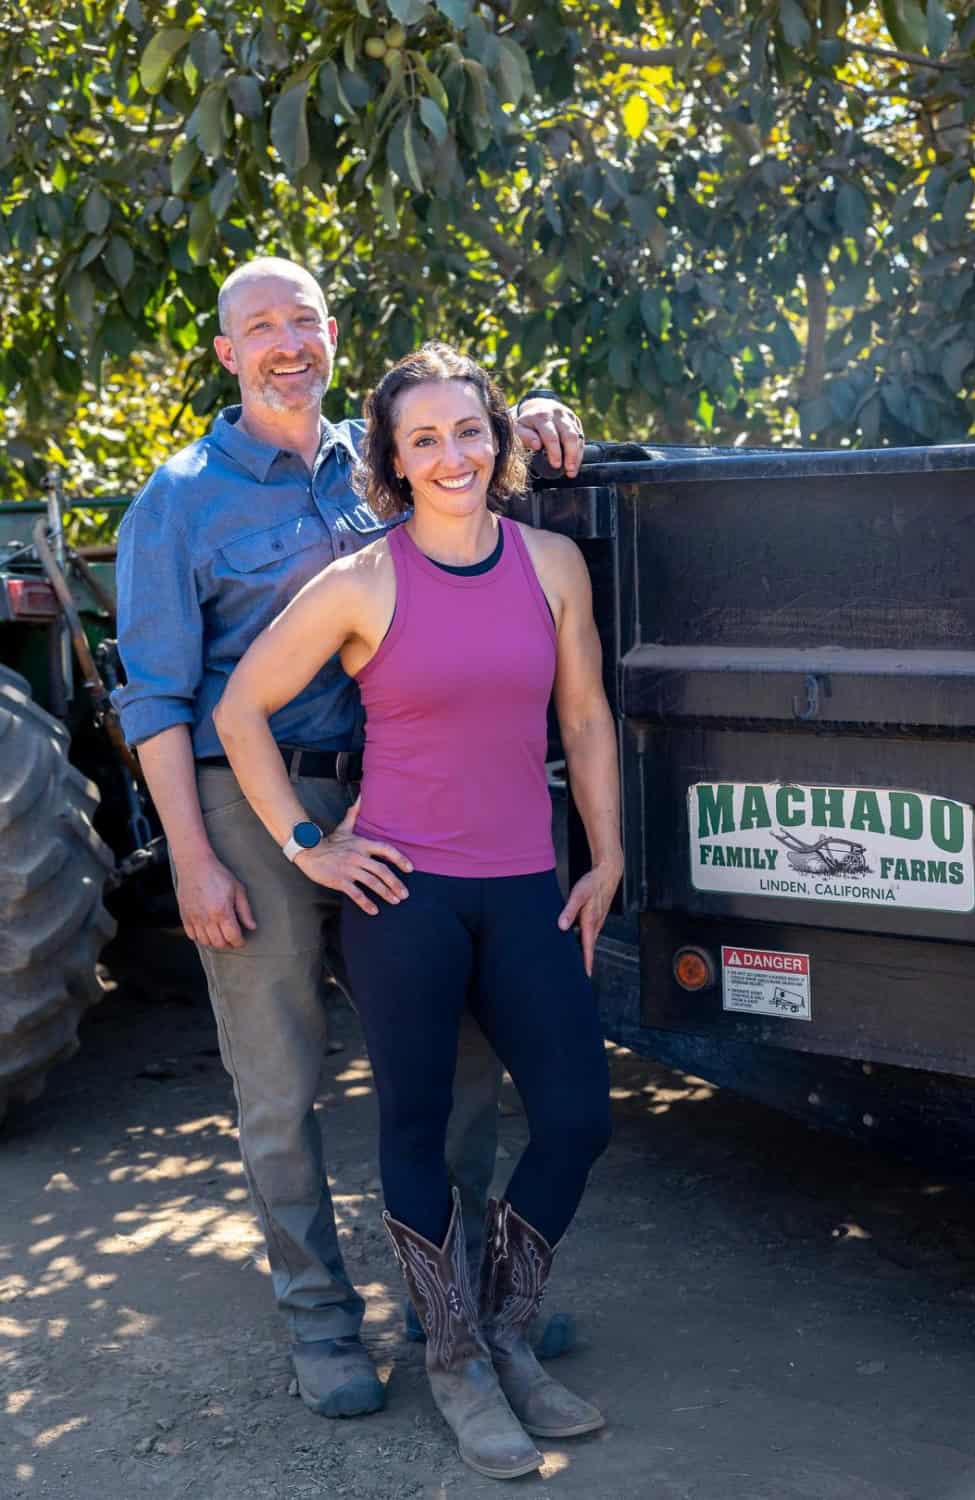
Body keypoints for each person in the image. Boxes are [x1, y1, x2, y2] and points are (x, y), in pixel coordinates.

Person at [112, 259, 587, 1420]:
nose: (286, 342)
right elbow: (158, 699)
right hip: (248, 802)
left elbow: (457, 471)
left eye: (305, 321)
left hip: (399, 798)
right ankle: (321, 1321)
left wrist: (524, 419)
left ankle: (463, 1306)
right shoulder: (176, 499)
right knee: (281, 1079)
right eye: (258, 326)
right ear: (225, 352)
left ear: (332, 335)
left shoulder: (372, 466)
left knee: (463, 1063)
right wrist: (193, 852)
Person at [213, 342, 622, 1479]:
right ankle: (453, 1359)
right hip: (405, 896)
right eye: (424, 438)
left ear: (498, 440)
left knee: (577, 1118)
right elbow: (241, 709)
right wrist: (310, 843)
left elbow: (584, 719)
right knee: (413, 1128)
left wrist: (606, 857)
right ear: (393, 461)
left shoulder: (550, 564)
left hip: (524, 884)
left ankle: (497, 1324)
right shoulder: (361, 580)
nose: (453, 454)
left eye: (470, 430)